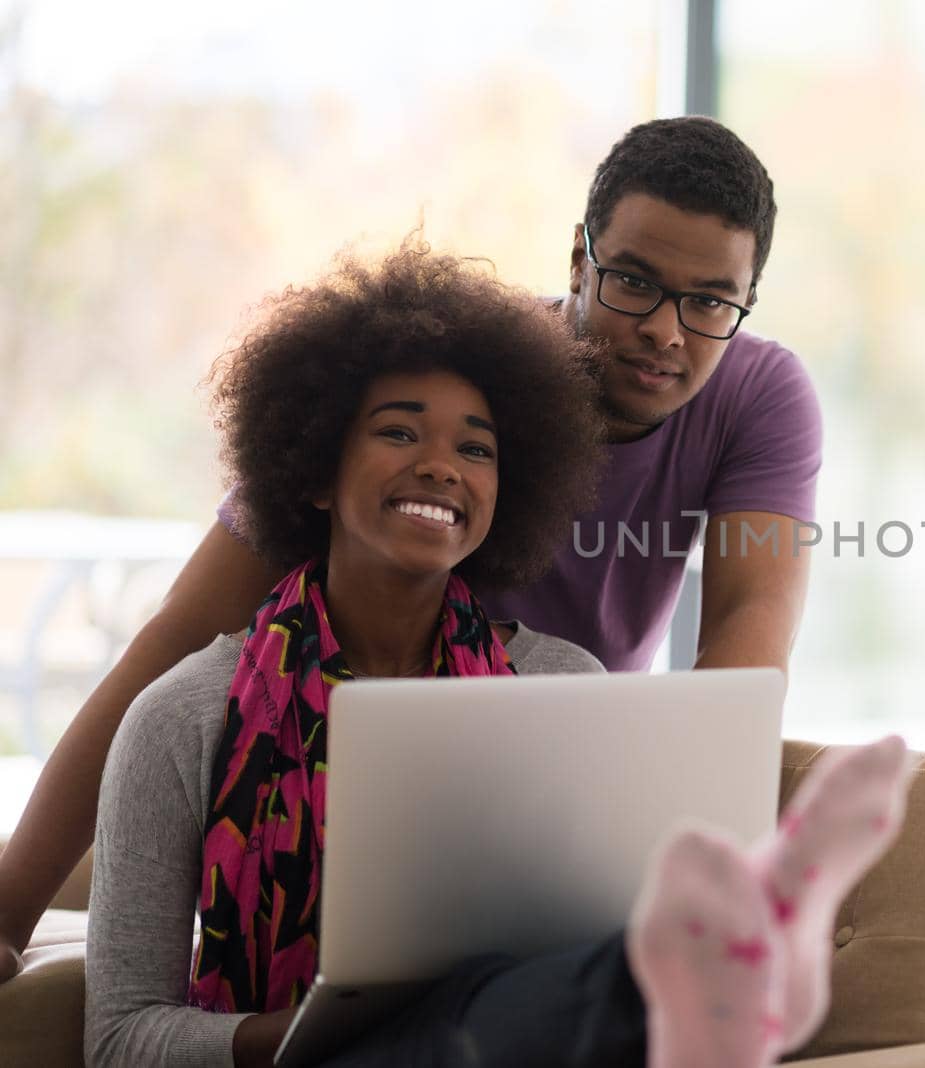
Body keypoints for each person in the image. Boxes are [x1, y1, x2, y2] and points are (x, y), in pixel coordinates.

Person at [0, 116, 822, 979]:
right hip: (333, 769)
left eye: (711, 301)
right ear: (578, 262)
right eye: (633, 283)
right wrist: (12, 910)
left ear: (747, 300)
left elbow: (750, 629)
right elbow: (178, 639)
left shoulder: (760, 397)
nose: (666, 330)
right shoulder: (453, 372)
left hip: (545, 786)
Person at [85, 244, 908, 1068]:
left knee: (533, 993)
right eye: (399, 431)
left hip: (523, 1041)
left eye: (476, 450)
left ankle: (710, 967)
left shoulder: (564, 689)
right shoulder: (184, 716)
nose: (441, 465)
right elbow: (119, 1040)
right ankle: (719, 977)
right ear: (314, 471)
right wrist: (305, 1036)